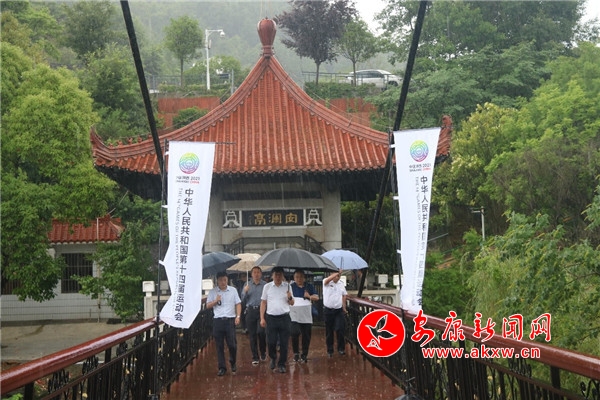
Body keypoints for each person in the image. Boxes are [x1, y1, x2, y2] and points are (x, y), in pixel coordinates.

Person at [206, 271, 242, 376]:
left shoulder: (233, 290)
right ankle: (222, 367)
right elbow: (208, 305)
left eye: (225, 280)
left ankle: (233, 361)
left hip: (230, 320)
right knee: (219, 346)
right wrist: (215, 301)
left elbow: (238, 303)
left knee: (232, 344)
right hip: (218, 320)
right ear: (217, 281)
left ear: (227, 280)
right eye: (221, 280)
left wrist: (238, 316)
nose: (223, 282)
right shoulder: (213, 292)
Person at [260, 266, 294, 373]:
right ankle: (273, 358)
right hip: (271, 318)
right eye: (276, 275)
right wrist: (262, 318)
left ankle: (282, 363)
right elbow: (263, 302)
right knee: (271, 341)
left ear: (283, 276)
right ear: (272, 276)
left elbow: (292, 303)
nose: (278, 277)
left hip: (284, 317)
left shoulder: (287, 286)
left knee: (284, 343)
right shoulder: (267, 287)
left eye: (280, 275)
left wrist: (289, 297)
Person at [289, 269, 319, 363]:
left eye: (301, 277)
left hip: (306, 315)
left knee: (306, 335)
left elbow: (317, 297)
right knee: (294, 333)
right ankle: (296, 353)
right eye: (297, 277)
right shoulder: (290, 287)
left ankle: (304, 354)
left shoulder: (309, 286)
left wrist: (309, 296)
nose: (299, 279)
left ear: (304, 278)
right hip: (294, 314)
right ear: (294, 278)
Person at [241, 266, 267, 365]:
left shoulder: (265, 285)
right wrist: (245, 291)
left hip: (261, 311)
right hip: (250, 310)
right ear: (251, 274)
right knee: (252, 335)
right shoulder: (247, 284)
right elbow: (242, 300)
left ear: (261, 274)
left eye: (258, 272)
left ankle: (263, 351)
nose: (256, 274)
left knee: (261, 332)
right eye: (254, 272)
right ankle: (255, 356)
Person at [323, 269, 348, 357]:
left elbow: (344, 294)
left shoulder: (341, 284)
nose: (337, 277)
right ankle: (330, 350)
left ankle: (341, 348)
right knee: (329, 331)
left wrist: (344, 306)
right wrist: (337, 272)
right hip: (328, 310)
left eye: (338, 276)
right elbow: (326, 281)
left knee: (340, 328)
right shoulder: (326, 281)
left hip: (338, 310)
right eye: (336, 275)